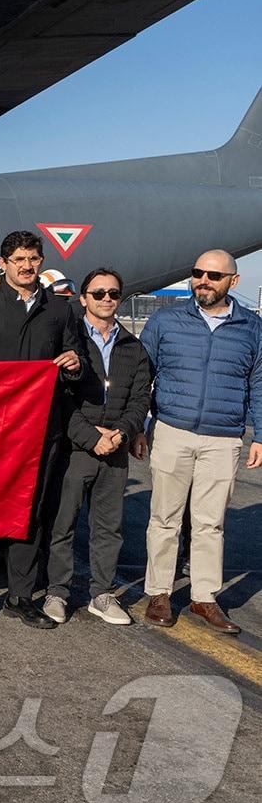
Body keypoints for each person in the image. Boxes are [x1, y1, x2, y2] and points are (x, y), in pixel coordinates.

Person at [0, 230, 85, 630]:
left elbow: (75, 364)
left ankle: (20, 596)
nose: (28, 267)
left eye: (33, 259)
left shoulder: (60, 312)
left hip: (40, 431)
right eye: (20, 260)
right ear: (4, 263)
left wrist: (75, 366)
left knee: (28, 513)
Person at [140, 249, 262, 634]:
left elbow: (258, 384)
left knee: (211, 523)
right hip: (172, 430)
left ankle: (204, 598)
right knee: (164, 518)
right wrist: (137, 427)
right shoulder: (165, 320)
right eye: (197, 273)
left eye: (213, 275)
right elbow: (142, 376)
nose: (203, 281)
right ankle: (159, 592)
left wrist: (260, 434)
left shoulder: (252, 328)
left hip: (223, 438)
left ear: (233, 282)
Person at [45, 268, 151, 626]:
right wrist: (92, 437)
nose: (107, 299)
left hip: (116, 448)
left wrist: (120, 434)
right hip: (78, 448)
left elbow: (140, 399)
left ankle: (101, 595)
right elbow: (61, 398)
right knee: (64, 523)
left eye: (114, 294)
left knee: (109, 526)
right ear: (84, 298)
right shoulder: (69, 341)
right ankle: (57, 592)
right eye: (99, 293)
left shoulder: (133, 347)